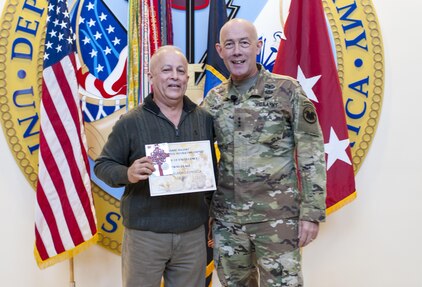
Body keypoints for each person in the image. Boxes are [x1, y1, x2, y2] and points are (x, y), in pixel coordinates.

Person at [202, 18, 327, 287]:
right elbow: (196, 152)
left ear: (258, 46)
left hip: (277, 219)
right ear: (220, 50)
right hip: (228, 221)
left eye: (244, 43)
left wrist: (311, 213)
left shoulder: (287, 90)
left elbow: (311, 151)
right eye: (230, 44)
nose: (237, 51)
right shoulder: (213, 99)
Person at [94, 45, 216, 287]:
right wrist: (127, 173)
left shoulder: (204, 119)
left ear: (187, 78)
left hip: (192, 234)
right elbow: (102, 166)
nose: (174, 76)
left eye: (181, 71)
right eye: (166, 70)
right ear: (151, 76)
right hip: (145, 236)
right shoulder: (130, 122)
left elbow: (211, 171)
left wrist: (214, 214)